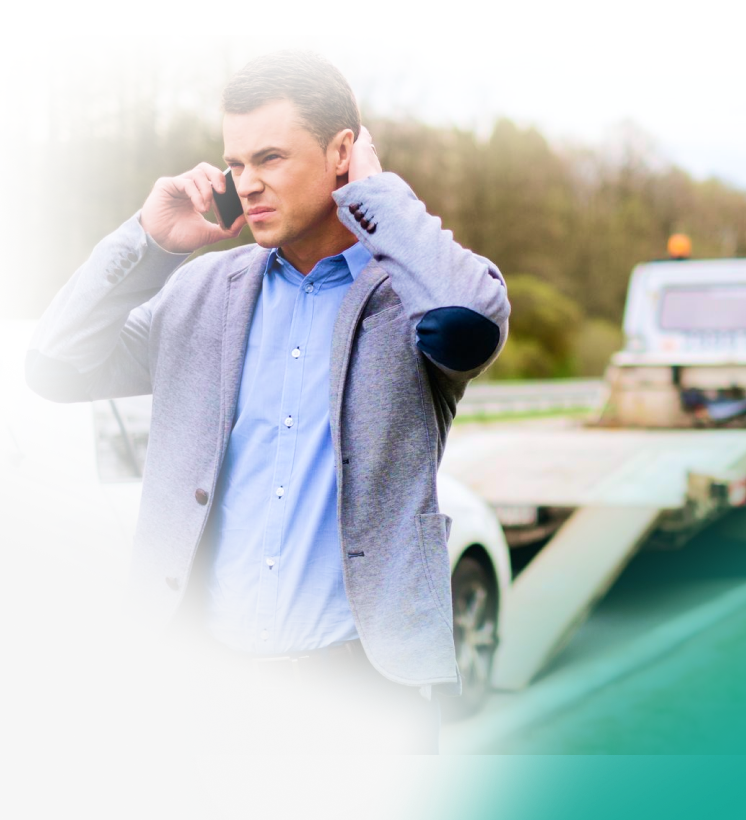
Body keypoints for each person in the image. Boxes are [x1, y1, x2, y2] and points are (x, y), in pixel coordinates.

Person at [25, 50, 510, 754]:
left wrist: (377, 196)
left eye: (271, 158)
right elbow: (54, 366)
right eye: (237, 162)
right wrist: (149, 241)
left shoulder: (412, 295)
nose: (246, 183)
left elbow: (471, 321)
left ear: (343, 151)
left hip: (364, 701)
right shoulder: (199, 293)